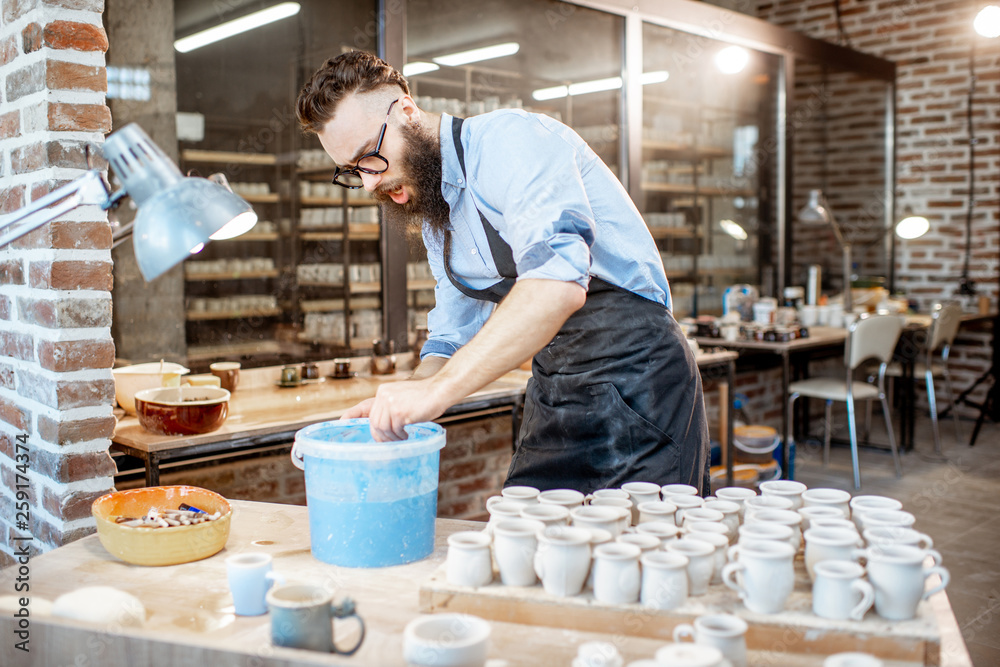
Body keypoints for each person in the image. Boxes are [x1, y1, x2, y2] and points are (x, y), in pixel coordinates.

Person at [295, 51, 710, 494]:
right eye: (353, 172)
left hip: (639, 384)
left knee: (636, 553)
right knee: (525, 538)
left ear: (407, 112)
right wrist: (400, 398)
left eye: (370, 157)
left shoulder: (511, 141)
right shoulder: (439, 210)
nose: (371, 183)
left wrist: (438, 393)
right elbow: (453, 335)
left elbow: (556, 285)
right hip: (557, 390)